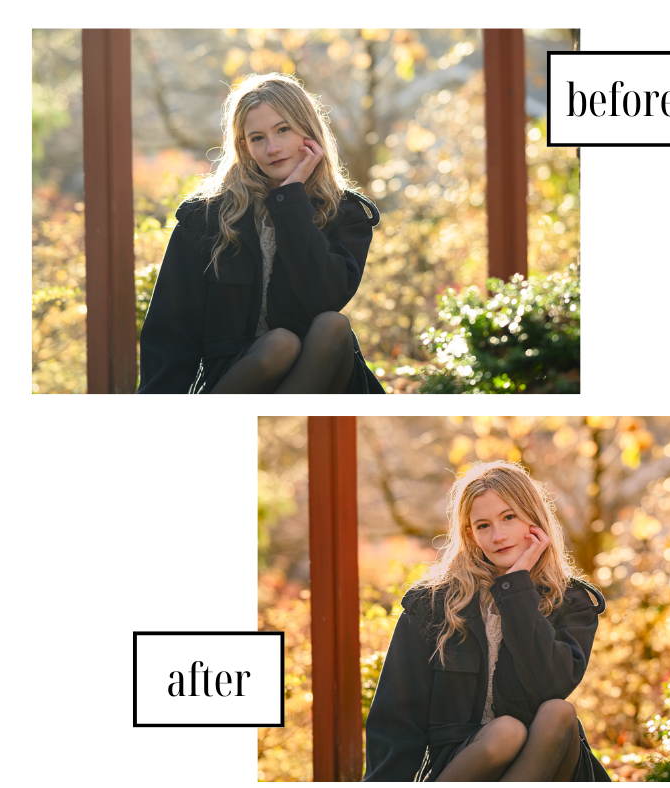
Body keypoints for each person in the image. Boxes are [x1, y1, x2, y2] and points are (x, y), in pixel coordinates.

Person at [134, 72, 386, 415]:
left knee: (332, 325)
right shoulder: (207, 217)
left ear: (308, 132)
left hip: (315, 380)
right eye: (257, 137)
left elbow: (325, 296)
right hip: (232, 383)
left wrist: (291, 200)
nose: (272, 148)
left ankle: (283, 443)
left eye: (283, 129)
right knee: (278, 345)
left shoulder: (346, 214)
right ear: (244, 148)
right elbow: (169, 329)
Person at [363, 459, 612, 785]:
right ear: (471, 535)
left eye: (509, 517)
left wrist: (517, 587)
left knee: (557, 712)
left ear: (534, 521)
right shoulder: (433, 604)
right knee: (504, 732)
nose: (498, 535)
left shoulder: (571, 602)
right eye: (483, 526)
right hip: (464, 766)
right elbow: (397, 713)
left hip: (544, 766)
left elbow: (552, 685)